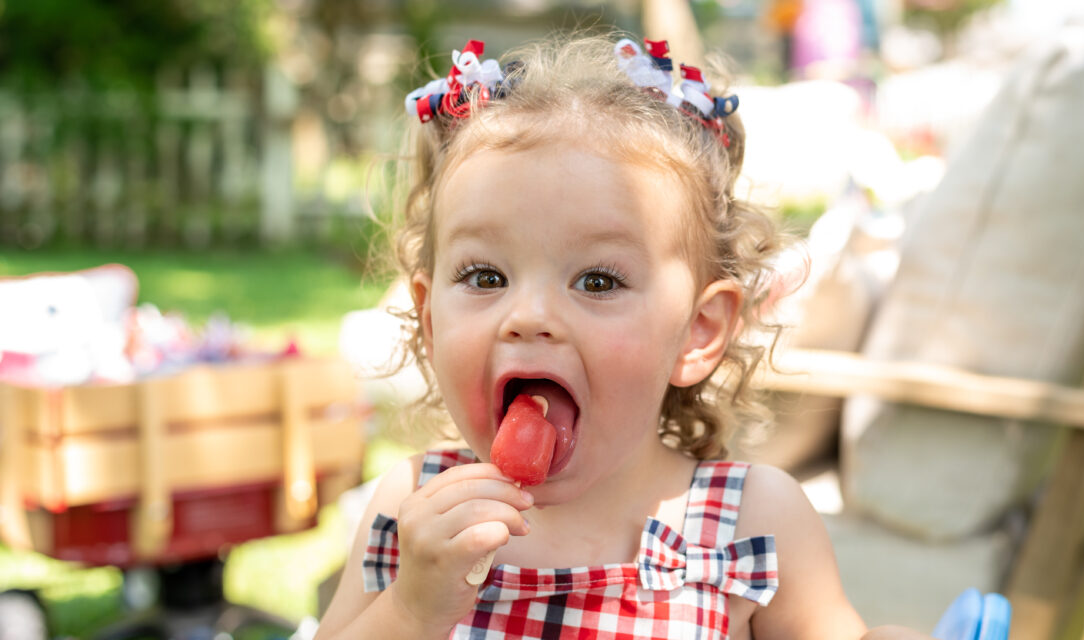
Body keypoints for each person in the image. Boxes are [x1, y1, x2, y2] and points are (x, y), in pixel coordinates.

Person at [316, 33, 931, 640]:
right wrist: (410, 612)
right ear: (429, 322)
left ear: (698, 330)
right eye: (485, 275)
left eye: (598, 280)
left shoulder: (753, 523)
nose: (528, 315)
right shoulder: (411, 513)